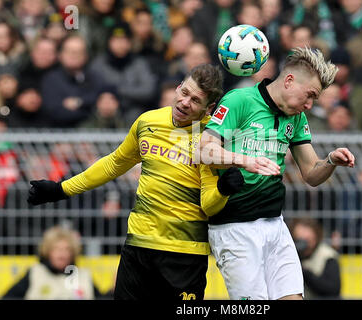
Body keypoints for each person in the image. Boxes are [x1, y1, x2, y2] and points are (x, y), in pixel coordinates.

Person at [26, 64, 244, 300]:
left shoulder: (210, 138)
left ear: (209, 108)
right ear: (178, 87)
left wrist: (223, 189)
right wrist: (62, 189)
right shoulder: (147, 121)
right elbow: (115, 163)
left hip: (183, 255)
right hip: (138, 247)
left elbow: (209, 205)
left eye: (195, 100)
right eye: (184, 92)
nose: (184, 102)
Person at [198, 47, 355, 300]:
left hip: (275, 225)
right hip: (235, 227)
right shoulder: (240, 100)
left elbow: (312, 174)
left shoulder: (296, 118)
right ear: (290, 81)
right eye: (310, 95)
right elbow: (204, 150)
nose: (310, 104)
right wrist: (244, 161)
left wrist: (330, 161)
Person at [2, 225, 101, 299]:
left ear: (73, 253)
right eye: (57, 249)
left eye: (67, 249)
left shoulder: (83, 276)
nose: (62, 255)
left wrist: (112, 290)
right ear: (48, 251)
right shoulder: (36, 273)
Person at [289, 217, 341, 299]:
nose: (304, 244)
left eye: (308, 240)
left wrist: (305, 273)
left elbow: (333, 289)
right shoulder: (291, 255)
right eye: (299, 240)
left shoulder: (327, 255)